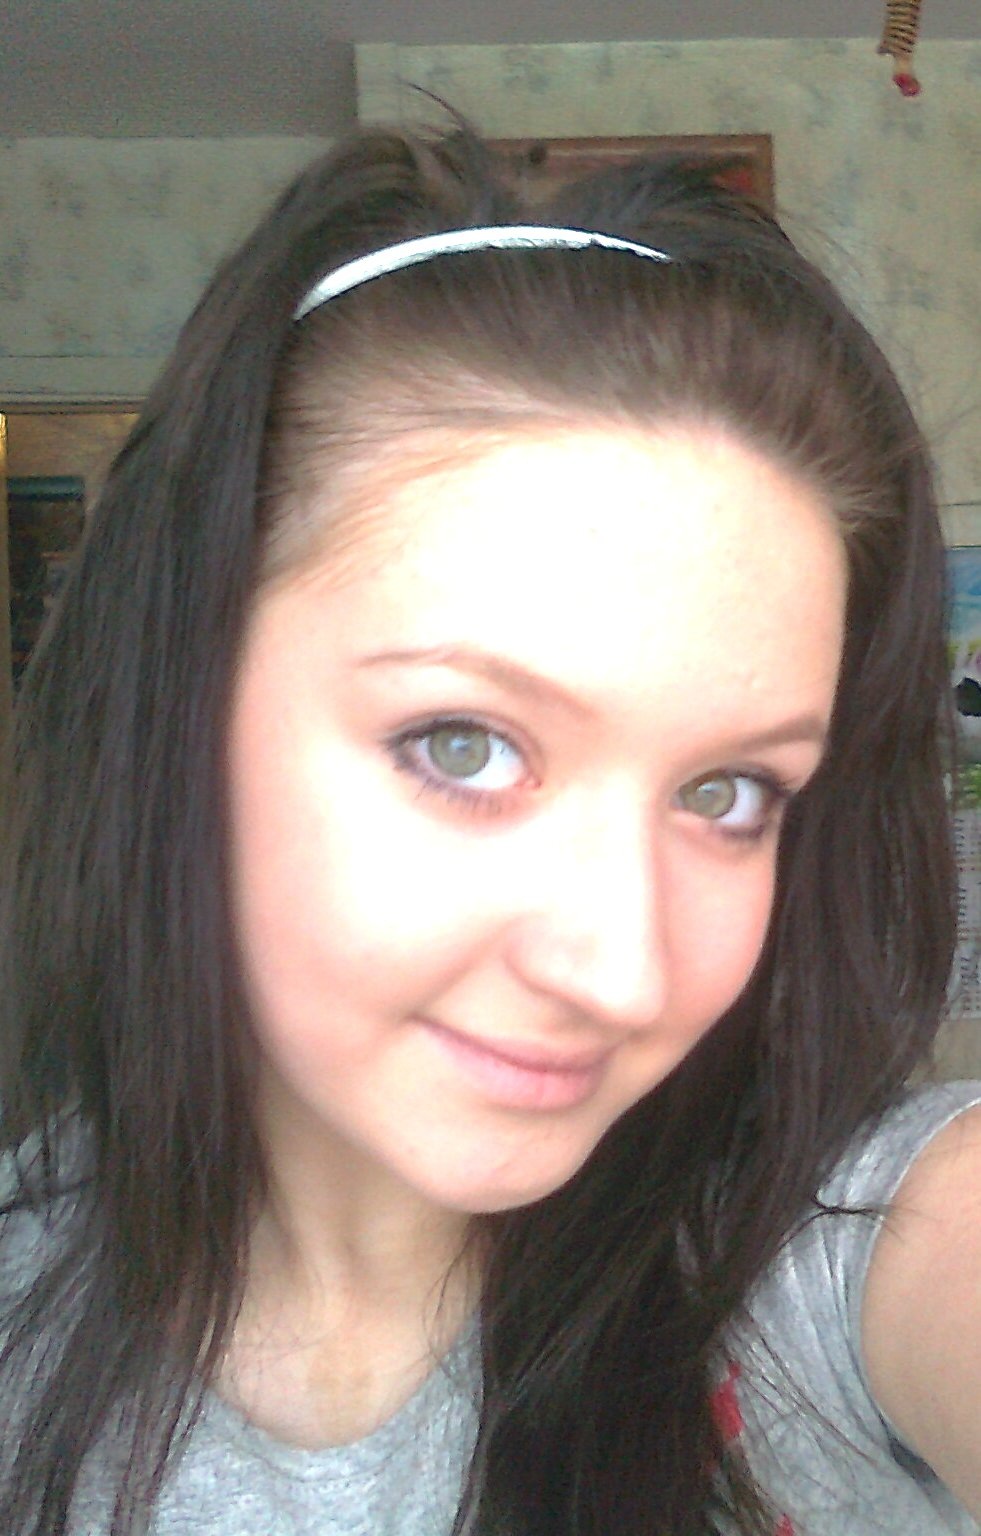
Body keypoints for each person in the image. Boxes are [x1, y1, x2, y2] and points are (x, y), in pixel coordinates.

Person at [1, 122, 979, 1536]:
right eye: (462, 746)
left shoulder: (841, 1252)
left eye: (727, 794)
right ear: (179, 714)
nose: (623, 974)